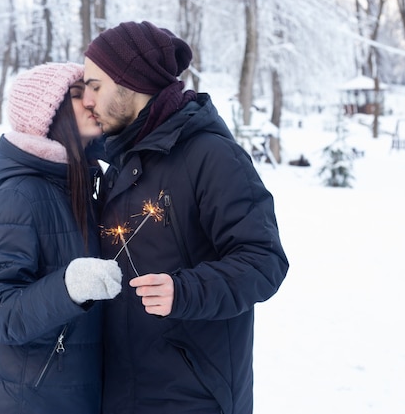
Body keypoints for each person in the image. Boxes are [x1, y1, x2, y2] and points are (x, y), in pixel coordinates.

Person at [82, 21, 289, 414]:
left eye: (95, 85)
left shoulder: (212, 157)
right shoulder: (121, 161)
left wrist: (185, 292)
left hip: (194, 396)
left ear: (131, 83)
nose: (87, 98)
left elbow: (265, 260)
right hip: (124, 393)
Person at [0, 62, 123, 414]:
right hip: (19, 401)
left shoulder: (78, 185)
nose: (93, 101)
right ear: (50, 116)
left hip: (66, 397)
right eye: (79, 95)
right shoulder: (19, 196)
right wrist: (68, 287)